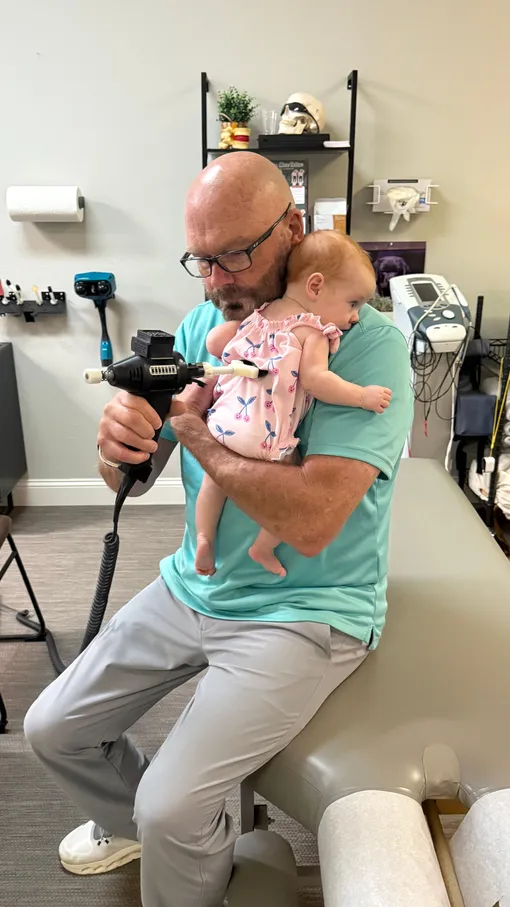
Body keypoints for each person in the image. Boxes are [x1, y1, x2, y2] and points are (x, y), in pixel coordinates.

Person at [24, 152, 413, 907]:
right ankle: (181, 839)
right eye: (201, 259)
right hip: (192, 583)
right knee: (52, 728)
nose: (215, 281)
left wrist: (196, 437)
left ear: (292, 229)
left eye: (235, 254)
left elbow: (309, 520)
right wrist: (119, 448)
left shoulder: (363, 346)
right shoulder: (210, 322)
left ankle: (178, 838)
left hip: (305, 609)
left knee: (172, 804)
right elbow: (128, 479)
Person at [195, 230, 392, 577]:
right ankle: (263, 547)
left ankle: (204, 538)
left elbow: (215, 342)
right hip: (265, 437)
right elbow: (317, 380)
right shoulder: (311, 331)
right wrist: (361, 396)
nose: (356, 317)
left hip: (224, 426)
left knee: (214, 481)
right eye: (353, 303)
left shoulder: (259, 315)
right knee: (291, 491)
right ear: (315, 287)